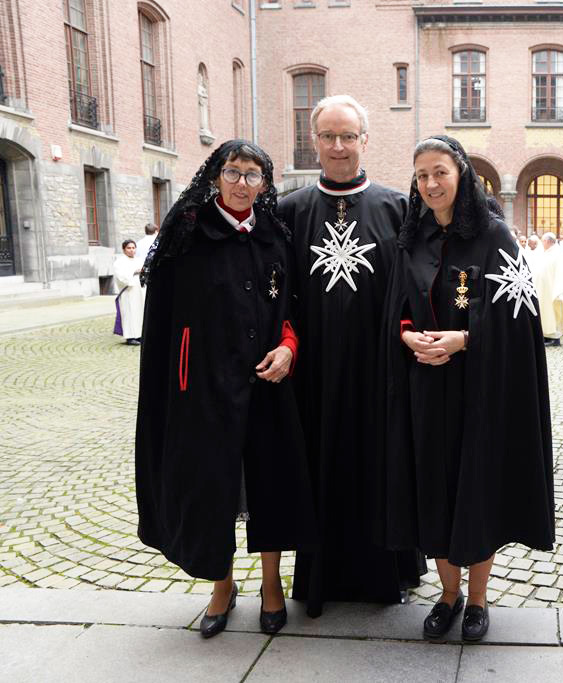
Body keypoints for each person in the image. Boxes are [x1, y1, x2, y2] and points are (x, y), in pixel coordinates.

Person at [135, 140, 317, 638]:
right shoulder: (188, 233)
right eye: (233, 172)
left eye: (252, 175)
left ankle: (272, 585)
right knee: (212, 486)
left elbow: (291, 308)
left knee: (270, 484)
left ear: (264, 184)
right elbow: (165, 319)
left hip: (268, 384)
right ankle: (222, 584)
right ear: (215, 176)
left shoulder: (274, 236)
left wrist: (289, 348)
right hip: (204, 391)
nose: (241, 183)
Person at [381, 135, 554, 642]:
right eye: (422, 176)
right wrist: (406, 334)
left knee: (473, 488)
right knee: (432, 489)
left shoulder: (494, 235)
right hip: (423, 388)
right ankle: (448, 593)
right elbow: (396, 305)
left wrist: (465, 339)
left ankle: (477, 598)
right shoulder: (411, 238)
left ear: (460, 174)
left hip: (479, 390)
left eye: (440, 172)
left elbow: (519, 319)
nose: (431, 184)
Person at [278, 94, 425, 618]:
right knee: (318, 466)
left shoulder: (398, 208)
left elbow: (416, 287)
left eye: (347, 136)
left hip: (379, 370)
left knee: (382, 466)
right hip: (314, 372)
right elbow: (276, 292)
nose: (338, 146)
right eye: (328, 136)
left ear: (365, 139)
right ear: (313, 140)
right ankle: (320, 579)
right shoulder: (289, 210)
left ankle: (388, 574)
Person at [113, 240, 145, 345]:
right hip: (128, 292)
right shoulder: (120, 262)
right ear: (124, 249)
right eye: (129, 248)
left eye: (133, 248)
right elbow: (121, 277)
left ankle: (139, 335)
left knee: (139, 313)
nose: (131, 250)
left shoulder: (140, 260)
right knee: (129, 314)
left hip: (139, 291)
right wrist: (134, 272)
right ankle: (130, 337)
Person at [535, 232, 563, 347]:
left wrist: (558, 291)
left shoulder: (558, 253)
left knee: (552, 313)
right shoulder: (547, 252)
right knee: (544, 313)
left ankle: (555, 338)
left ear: (547, 241)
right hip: (543, 290)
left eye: (543, 241)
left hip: (551, 290)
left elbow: (560, 273)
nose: (542, 243)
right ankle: (546, 335)